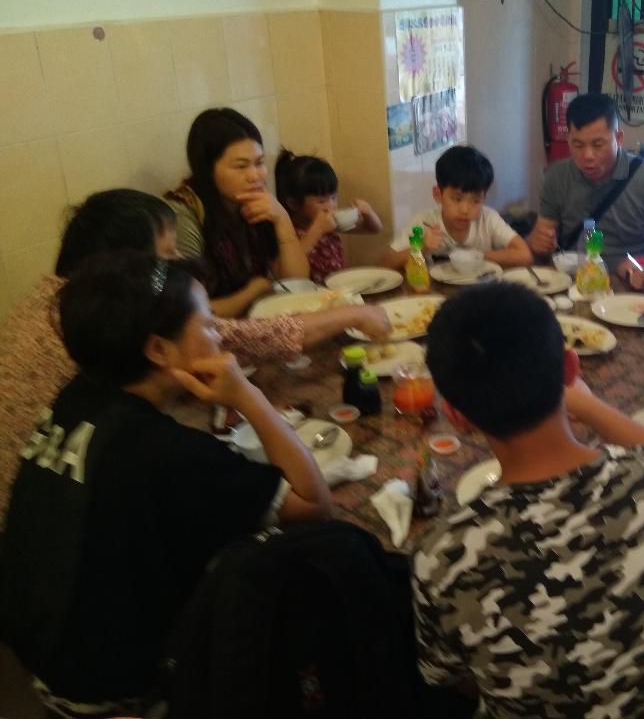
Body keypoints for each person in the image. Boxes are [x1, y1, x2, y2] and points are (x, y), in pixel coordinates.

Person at [0, 252, 333, 717]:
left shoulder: (75, 396)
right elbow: (315, 503)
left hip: (43, 662)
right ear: (157, 350)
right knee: (296, 568)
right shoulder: (164, 453)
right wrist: (249, 396)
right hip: (115, 694)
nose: (220, 335)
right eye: (208, 324)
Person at [0, 189, 389, 531]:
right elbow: (312, 504)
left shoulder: (61, 316)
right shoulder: (165, 446)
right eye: (167, 255)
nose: (180, 261)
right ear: (129, 272)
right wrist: (352, 315)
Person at [413, 282, 644, 717]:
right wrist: (587, 404)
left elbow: (448, 675)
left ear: (456, 417)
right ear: (572, 367)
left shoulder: (442, 556)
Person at [165, 108, 309, 317]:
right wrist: (252, 291)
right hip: (212, 330)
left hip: (255, 320)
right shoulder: (185, 214)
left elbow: (296, 283)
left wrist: (283, 219)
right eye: (241, 166)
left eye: (259, 163)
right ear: (207, 170)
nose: (255, 176)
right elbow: (191, 312)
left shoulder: (256, 200)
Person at [527, 92, 644, 262]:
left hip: (629, 276)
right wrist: (538, 242)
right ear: (568, 140)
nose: (588, 155)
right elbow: (543, 233)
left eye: (598, 145)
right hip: (573, 274)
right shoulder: (557, 176)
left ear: (618, 139)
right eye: (578, 145)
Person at [378, 145, 532, 269]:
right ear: (438, 194)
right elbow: (383, 263)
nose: (465, 210)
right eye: (457, 199)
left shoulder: (488, 219)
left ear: (484, 198)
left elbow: (524, 255)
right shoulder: (424, 223)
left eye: (475, 201)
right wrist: (422, 248)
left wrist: (476, 257)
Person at [275, 148, 383, 284]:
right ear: (294, 204)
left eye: (333, 197)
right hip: (312, 294)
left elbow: (373, 229)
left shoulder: (332, 223)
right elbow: (289, 272)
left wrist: (368, 213)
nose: (331, 205)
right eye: (321, 201)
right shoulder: (288, 234)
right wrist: (317, 229)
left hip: (340, 289)